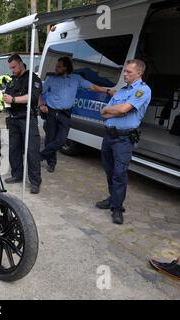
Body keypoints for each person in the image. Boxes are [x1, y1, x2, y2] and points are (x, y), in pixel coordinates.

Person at [96, 59, 151, 225]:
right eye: (125, 71)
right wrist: (116, 112)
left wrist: (115, 111)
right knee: (109, 170)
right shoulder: (121, 91)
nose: (125, 74)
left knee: (119, 173)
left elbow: (123, 109)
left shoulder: (143, 90)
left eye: (129, 72)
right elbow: (103, 113)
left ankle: (117, 208)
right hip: (109, 136)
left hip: (123, 139)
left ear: (139, 73)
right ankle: (113, 198)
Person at [39, 57, 114, 172]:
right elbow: (40, 93)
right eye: (56, 66)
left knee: (61, 140)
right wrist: (41, 105)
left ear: (66, 68)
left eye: (59, 66)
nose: (56, 68)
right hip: (51, 112)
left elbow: (92, 86)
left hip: (65, 113)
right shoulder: (50, 79)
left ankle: (40, 156)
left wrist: (107, 91)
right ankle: (51, 163)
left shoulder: (76, 79)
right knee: (50, 139)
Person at [3, 54, 43, 194]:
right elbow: (8, 95)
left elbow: (32, 97)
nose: (12, 70)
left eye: (14, 67)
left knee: (32, 151)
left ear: (21, 64)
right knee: (14, 149)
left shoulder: (33, 79)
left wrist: (13, 99)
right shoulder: (13, 80)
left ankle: (35, 182)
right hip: (13, 118)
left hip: (27, 118)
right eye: (10, 68)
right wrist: (6, 98)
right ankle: (17, 174)